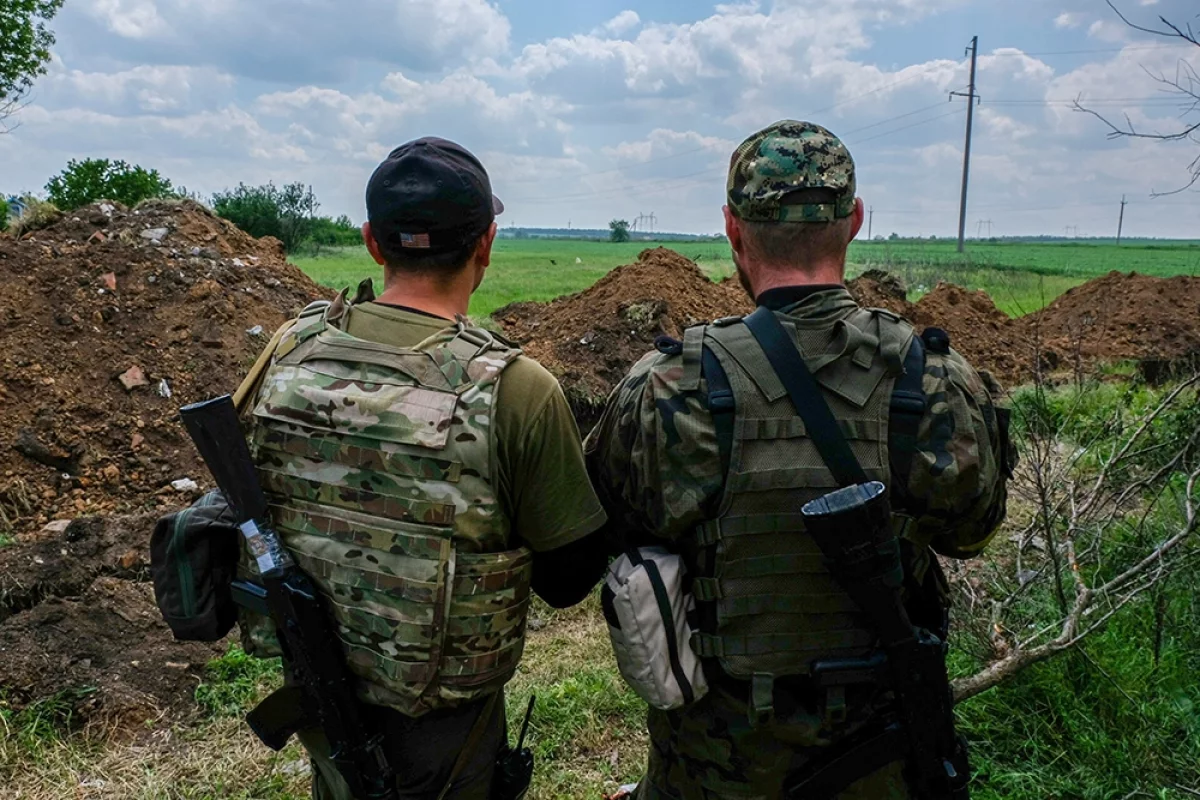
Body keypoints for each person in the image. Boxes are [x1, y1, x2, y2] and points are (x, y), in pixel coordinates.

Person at [585, 120, 1015, 799]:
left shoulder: (665, 387)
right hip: (883, 760)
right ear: (856, 223)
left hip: (711, 769)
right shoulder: (933, 379)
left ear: (732, 227)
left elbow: (600, 540)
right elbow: (974, 532)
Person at [233, 137, 609, 799]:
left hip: (322, 701)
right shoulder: (517, 389)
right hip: (448, 731)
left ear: (373, 243)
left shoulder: (290, 347)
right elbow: (569, 578)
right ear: (486, 245)